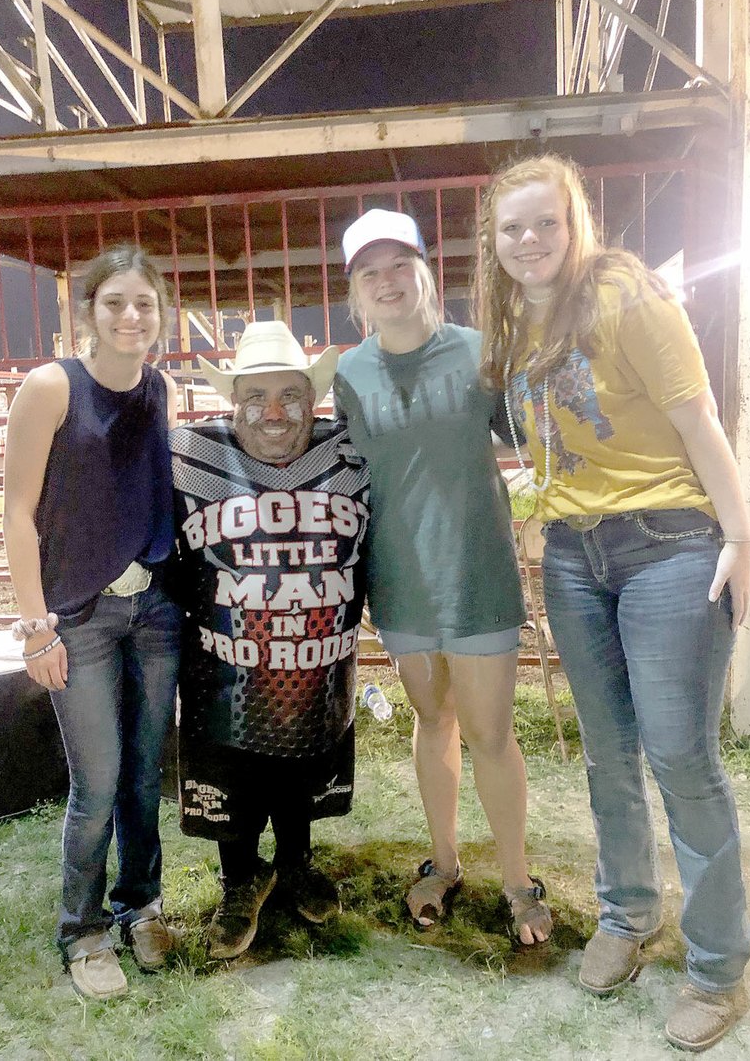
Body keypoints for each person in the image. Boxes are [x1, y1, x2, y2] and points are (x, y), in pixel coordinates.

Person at [477, 153, 750, 1051]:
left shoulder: (626, 295)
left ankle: (717, 969)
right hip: (572, 553)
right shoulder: (515, 318)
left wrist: (742, 539)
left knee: (680, 756)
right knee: (608, 757)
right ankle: (627, 917)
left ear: (575, 221)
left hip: (669, 541)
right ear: (495, 238)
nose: (529, 241)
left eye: (544, 223)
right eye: (512, 228)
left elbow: (697, 419)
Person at [334, 208, 552, 947]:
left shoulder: (481, 353)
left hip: (477, 572)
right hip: (399, 578)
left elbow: (536, 438)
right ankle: (447, 861)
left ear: (427, 271)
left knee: (491, 732)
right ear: (356, 294)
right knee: (434, 722)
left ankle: (519, 879)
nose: (388, 282)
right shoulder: (350, 373)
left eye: (400, 266)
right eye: (371, 274)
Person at [2, 245, 183, 1001]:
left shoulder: (158, 388)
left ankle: (140, 904)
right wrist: (35, 625)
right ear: (88, 312)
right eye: (115, 303)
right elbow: (16, 511)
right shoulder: (51, 387)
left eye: (144, 303)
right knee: (99, 781)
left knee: (147, 776)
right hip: (79, 614)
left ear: (159, 314)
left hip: (155, 609)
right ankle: (82, 930)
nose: (131, 316)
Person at [171, 320, 369, 960]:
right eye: (256, 397)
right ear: (234, 403)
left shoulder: (354, 454)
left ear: (313, 400)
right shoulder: (188, 454)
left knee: (308, 744)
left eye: (290, 396)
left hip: (320, 653)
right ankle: (240, 877)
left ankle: (296, 863)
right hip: (226, 659)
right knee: (235, 758)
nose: (274, 413)